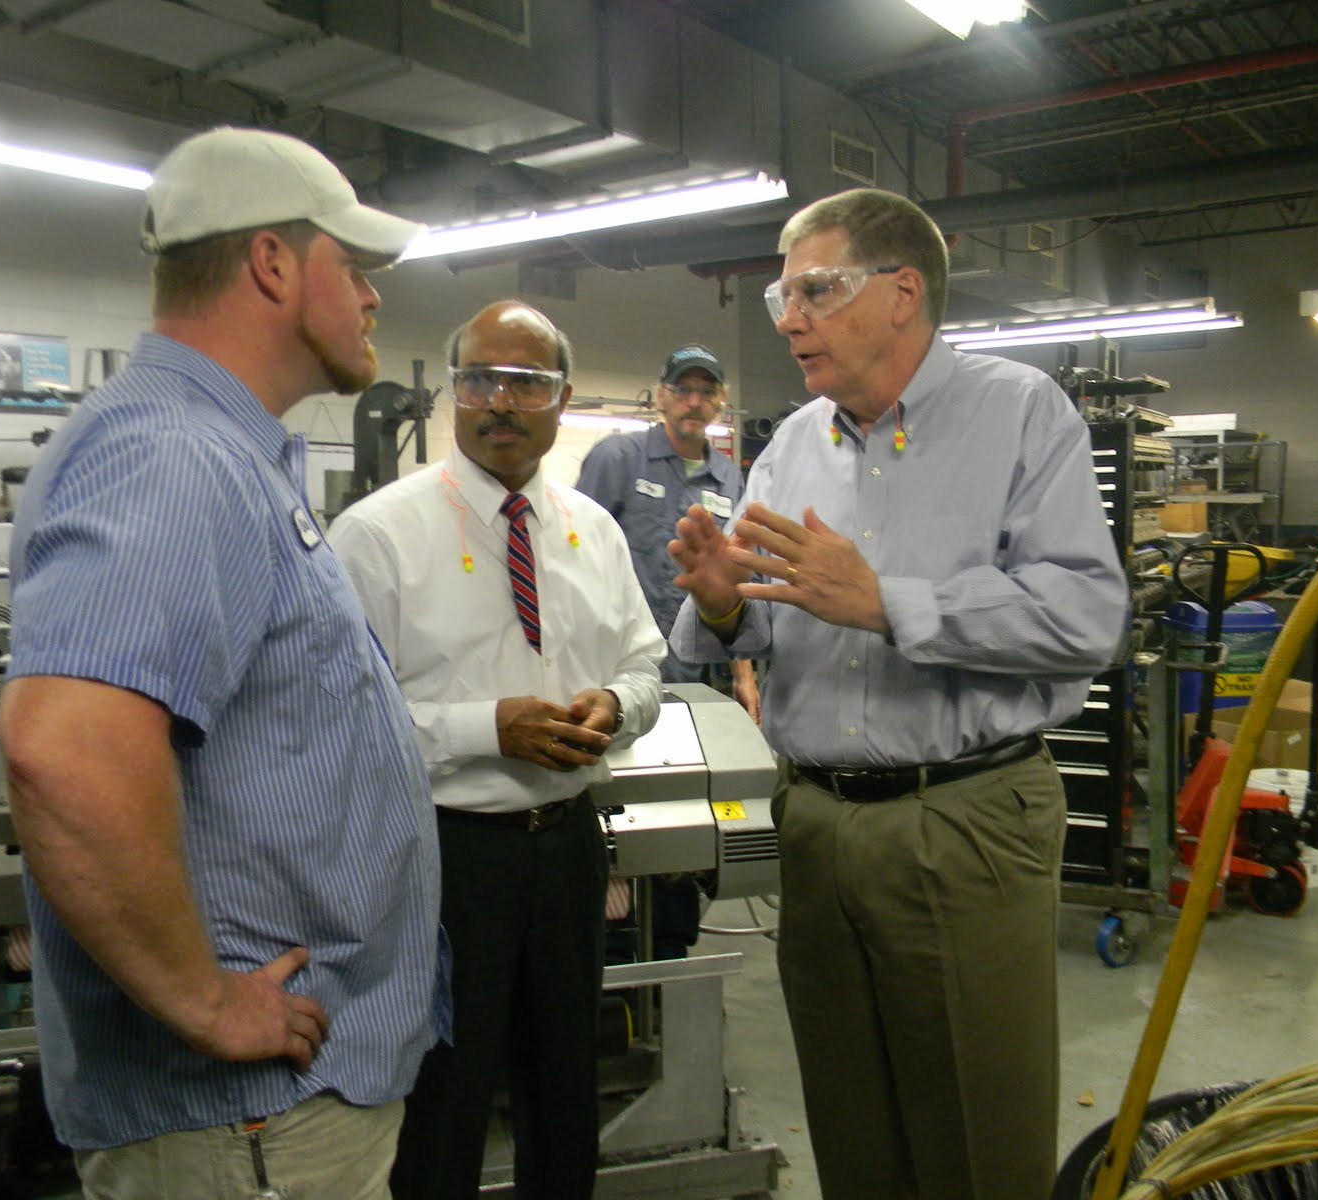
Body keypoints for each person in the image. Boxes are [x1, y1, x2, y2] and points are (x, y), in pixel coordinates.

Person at [0, 126, 445, 1200]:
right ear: (275, 265)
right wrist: (206, 1002)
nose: (376, 298)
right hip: (245, 1129)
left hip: (271, 1119)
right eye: (358, 267)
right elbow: (66, 752)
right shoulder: (173, 457)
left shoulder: (222, 454)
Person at [668, 187, 1129, 1200]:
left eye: (815, 290)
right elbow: (760, 624)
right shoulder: (792, 447)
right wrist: (721, 607)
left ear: (903, 292)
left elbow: (1084, 620)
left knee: (976, 1139)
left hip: (960, 818)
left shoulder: (1018, 416)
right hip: (818, 822)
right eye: (780, 298)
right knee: (851, 1131)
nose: (789, 319)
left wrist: (890, 604)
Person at [328, 301, 665, 1200]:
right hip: (444, 855)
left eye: (527, 382)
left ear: (561, 400)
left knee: (566, 1087)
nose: (501, 401)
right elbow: (339, 724)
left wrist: (616, 706)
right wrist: (488, 728)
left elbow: (646, 666)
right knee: (447, 1094)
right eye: (480, 379)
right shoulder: (377, 536)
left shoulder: (595, 529)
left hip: (567, 848)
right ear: (452, 394)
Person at [575, 343, 757, 961]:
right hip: (621, 680)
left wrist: (745, 675)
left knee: (684, 815)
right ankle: (611, 947)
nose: (694, 402)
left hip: (694, 690)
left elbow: (733, 586)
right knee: (617, 815)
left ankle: (670, 953)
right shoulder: (617, 460)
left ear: (719, 403)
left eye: (706, 391)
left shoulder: (731, 478)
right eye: (684, 389)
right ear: (661, 395)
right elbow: (573, 558)